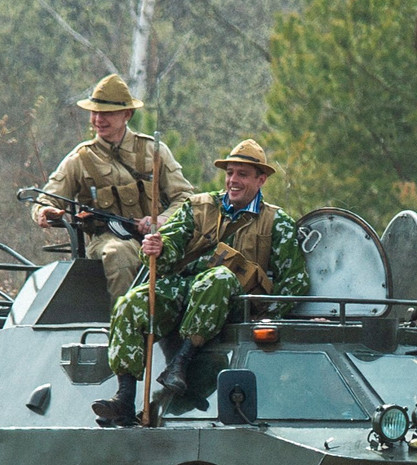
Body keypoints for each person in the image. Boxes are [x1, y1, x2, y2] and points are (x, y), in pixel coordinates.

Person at [94, 138, 310, 426]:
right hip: (184, 291)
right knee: (129, 304)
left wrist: (269, 317)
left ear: (261, 179)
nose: (233, 180)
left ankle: (180, 363)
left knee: (218, 278)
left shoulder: (276, 222)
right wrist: (158, 248)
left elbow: (295, 281)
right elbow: (169, 246)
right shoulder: (198, 208)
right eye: (230, 173)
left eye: (242, 174)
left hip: (231, 302)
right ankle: (124, 396)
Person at [34, 73, 193, 299]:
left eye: (107, 113)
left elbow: (185, 198)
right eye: (94, 112)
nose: (98, 119)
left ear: (127, 114)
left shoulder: (153, 150)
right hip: (107, 240)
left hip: (157, 238)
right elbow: (46, 199)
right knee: (120, 253)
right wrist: (44, 212)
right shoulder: (80, 159)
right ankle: (123, 326)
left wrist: (161, 221)